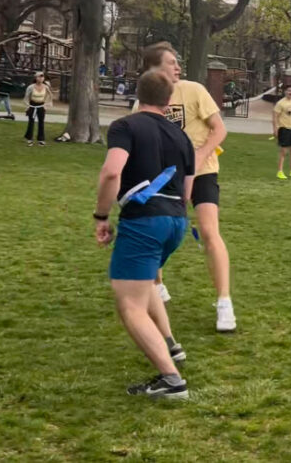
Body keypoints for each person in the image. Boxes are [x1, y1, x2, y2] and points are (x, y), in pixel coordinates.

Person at [94, 69, 194, 399]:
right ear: (169, 101)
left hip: (145, 223)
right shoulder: (182, 137)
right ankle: (169, 345)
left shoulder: (125, 126)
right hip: (176, 222)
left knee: (130, 305)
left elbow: (111, 173)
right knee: (147, 280)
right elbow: (187, 190)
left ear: (137, 94)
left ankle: (171, 380)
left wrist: (102, 216)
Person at [140, 42, 235, 333]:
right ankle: (156, 284)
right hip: (166, 178)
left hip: (203, 171)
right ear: (154, 68)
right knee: (155, 232)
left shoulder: (194, 90)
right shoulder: (145, 100)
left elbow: (220, 130)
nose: (177, 67)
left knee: (208, 231)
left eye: (177, 62)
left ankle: (224, 303)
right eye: (171, 62)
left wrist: (200, 155)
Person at [23, 71, 53, 146]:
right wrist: (28, 106)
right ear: (36, 78)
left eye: (42, 76)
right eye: (39, 76)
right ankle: (29, 139)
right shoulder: (31, 87)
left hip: (41, 106)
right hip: (32, 106)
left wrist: (46, 105)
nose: (41, 78)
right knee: (31, 122)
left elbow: (50, 96)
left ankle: (41, 139)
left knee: (41, 122)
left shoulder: (46, 87)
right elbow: (26, 97)